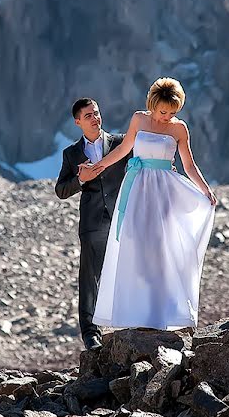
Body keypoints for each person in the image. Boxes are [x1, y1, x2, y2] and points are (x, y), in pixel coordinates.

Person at [88, 78, 216, 331]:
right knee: (134, 245)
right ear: (153, 104)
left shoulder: (179, 129)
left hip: (164, 192)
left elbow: (188, 165)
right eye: (163, 111)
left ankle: (160, 313)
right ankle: (134, 311)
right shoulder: (139, 119)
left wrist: (206, 189)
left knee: (160, 249)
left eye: (173, 112)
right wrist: (99, 165)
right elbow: (125, 148)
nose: (167, 117)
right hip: (136, 187)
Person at [55, 98, 131, 350]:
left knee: (130, 269)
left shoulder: (121, 142)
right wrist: (80, 178)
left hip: (124, 219)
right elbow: (61, 190)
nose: (95, 118)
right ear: (78, 122)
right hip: (92, 223)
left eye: (97, 113)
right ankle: (90, 334)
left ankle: (135, 323)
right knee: (90, 277)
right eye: (88, 116)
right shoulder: (71, 154)